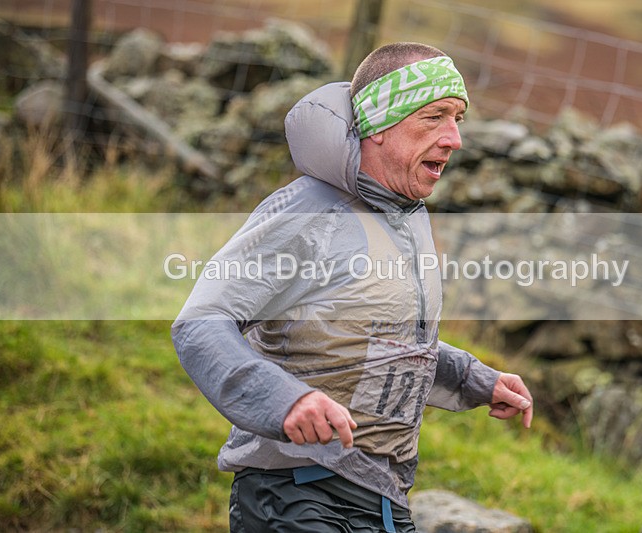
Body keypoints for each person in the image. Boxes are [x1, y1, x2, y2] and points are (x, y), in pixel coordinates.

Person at [172, 41, 533, 532]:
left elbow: (378, 340)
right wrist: (286, 400)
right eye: (435, 117)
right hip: (297, 496)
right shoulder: (308, 214)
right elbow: (200, 324)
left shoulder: (406, 217)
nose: (455, 139)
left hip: (385, 502)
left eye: (458, 119)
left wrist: (473, 379)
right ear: (380, 124)